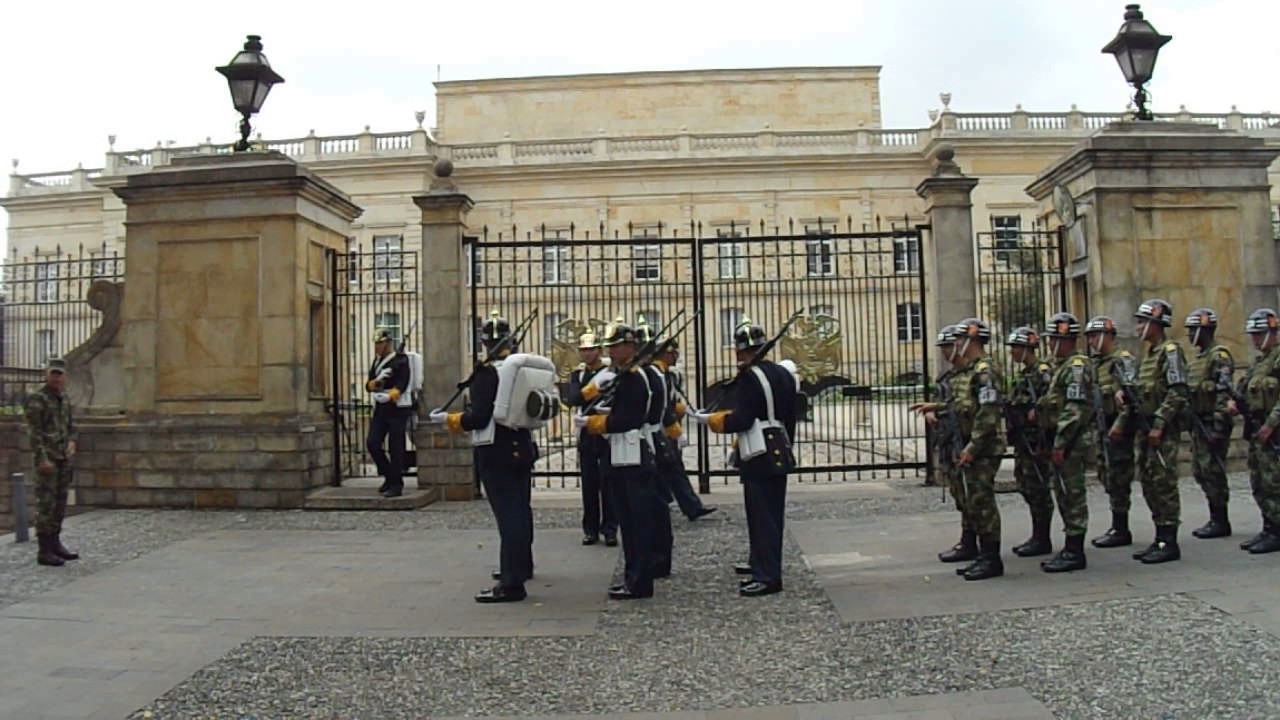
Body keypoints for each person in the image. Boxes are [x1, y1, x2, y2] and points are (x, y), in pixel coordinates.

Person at [430, 312, 537, 603]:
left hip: (496, 451)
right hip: (521, 448)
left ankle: (512, 582)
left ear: (485, 343)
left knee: (508, 517)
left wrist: (449, 420)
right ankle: (520, 566)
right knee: (520, 511)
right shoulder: (520, 370)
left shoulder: (488, 374)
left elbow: (478, 417)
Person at [687, 318, 797, 597]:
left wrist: (713, 420)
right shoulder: (782, 374)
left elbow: (743, 418)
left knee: (761, 514)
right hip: (779, 445)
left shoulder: (749, 376)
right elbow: (791, 414)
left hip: (757, 451)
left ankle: (768, 575)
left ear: (739, 351)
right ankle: (761, 562)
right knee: (772, 514)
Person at [575, 320, 660, 600]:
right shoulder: (625, 375)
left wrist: (594, 423)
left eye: (616, 346)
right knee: (629, 520)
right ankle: (634, 577)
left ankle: (639, 581)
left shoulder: (635, 377)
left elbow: (628, 418)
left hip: (631, 454)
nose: (611, 351)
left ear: (630, 346)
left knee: (636, 521)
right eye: (610, 346)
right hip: (623, 453)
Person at [1111, 298, 1188, 564]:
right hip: (1144, 429)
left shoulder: (1170, 352)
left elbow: (1177, 392)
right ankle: (1159, 536)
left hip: (1160, 429)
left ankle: (1169, 540)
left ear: (1157, 324)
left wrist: (1159, 424)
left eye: (1143, 322)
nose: (1138, 326)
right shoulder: (1150, 356)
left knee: (1163, 483)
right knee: (1149, 483)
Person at [1038, 313, 1096, 573]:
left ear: (1063, 339)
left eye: (1052, 339)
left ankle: (1075, 550)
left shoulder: (1076, 366)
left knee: (1072, 494)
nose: (1049, 344)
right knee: (1062, 492)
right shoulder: (1062, 366)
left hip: (1071, 441)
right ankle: (1070, 546)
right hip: (1062, 439)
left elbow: (1074, 409)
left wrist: (1061, 443)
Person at [647, 334, 717, 522]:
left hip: (664, 429)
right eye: (673, 353)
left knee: (672, 469)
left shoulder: (665, 374)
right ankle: (683, 505)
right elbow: (663, 407)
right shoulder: (657, 374)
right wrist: (676, 432)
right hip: (659, 430)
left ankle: (689, 506)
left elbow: (672, 402)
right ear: (665, 355)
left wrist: (690, 412)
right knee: (670, 469)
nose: (676, 356)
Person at [1084, 316, 1139, 548]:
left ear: (1109, 336)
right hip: (1102, 427)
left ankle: (1121, 527)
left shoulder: (1121, 361)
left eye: (1095, 336)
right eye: (1090, 337)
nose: (1092, 341)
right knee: (1107, 476)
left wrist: (1119, 425)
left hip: (1118, 429)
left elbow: (1130, 397)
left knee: (1118, 477)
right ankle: (1117, 524)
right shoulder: (1097, 364)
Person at [1230, 308, 1280, 554]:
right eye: (1254, 335)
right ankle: (1269, 526)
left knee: (1274, 482)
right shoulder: (1260, 362)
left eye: (1260, 334)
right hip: (1258, 429)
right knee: (1259, 481)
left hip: (1274, 431)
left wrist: (1271, 423)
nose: (1255, 339)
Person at [1003, 326, 1056, 558]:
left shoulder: (1042, 371)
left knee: (1038, 488)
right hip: (1023, 440)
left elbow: (1050, 400)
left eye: (1015, 347)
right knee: (1025, 484)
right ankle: (1037, 534)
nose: (1012, 352)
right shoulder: (1024, 374)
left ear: (1026, 348)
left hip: (1037, 441)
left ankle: (1042, 537)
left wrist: (1036, 410)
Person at [1183, 307, 1235, 539]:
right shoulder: (1198, 359)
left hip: (1212, 423)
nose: (1188, 334)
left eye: (1192, 329)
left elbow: (1223, 393)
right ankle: (1214, 516)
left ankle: (1221, 519)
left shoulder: (1218, 356)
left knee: (1213, 471)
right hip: (1198, 424)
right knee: (1200, 470)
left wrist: (1218, 427)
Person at [23, 357, 79, 567]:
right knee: (46, 504)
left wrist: (72, 442)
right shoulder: (38, 399)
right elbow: (34, 433)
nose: (56, 377)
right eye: (53, 374)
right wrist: (42, 459)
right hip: (48, 458)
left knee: (60, 502)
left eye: (60, 374)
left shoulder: (64, 398)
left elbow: (72, 425)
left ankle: (56, 543)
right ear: (47, 375)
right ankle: (44, 549)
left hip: (64, 458)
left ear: (65, 376)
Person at [566, 332, 618, 546]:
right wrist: (594, 389)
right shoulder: (577, 376)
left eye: (591, 349)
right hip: (586, 432)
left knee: (609, 482)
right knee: (589, 483)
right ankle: (590, 529)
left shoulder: (610, 373)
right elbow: (573, 398)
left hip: (605, 430)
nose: (587, 354)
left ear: (599, 350)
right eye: (584, 350)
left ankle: (610, 528)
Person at [365, 329, 412, 497]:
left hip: (398, 409)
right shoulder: (377, 362)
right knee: (372, 443)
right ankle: (389, 476)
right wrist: (375, 384)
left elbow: (403, 382)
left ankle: (396, 485)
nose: (377, 347)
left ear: (388, 343)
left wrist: (392, 394)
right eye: (376, 344)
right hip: (381, 408)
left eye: (380, 343)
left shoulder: (401, 359)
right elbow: (369, 383)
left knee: (395, 447)